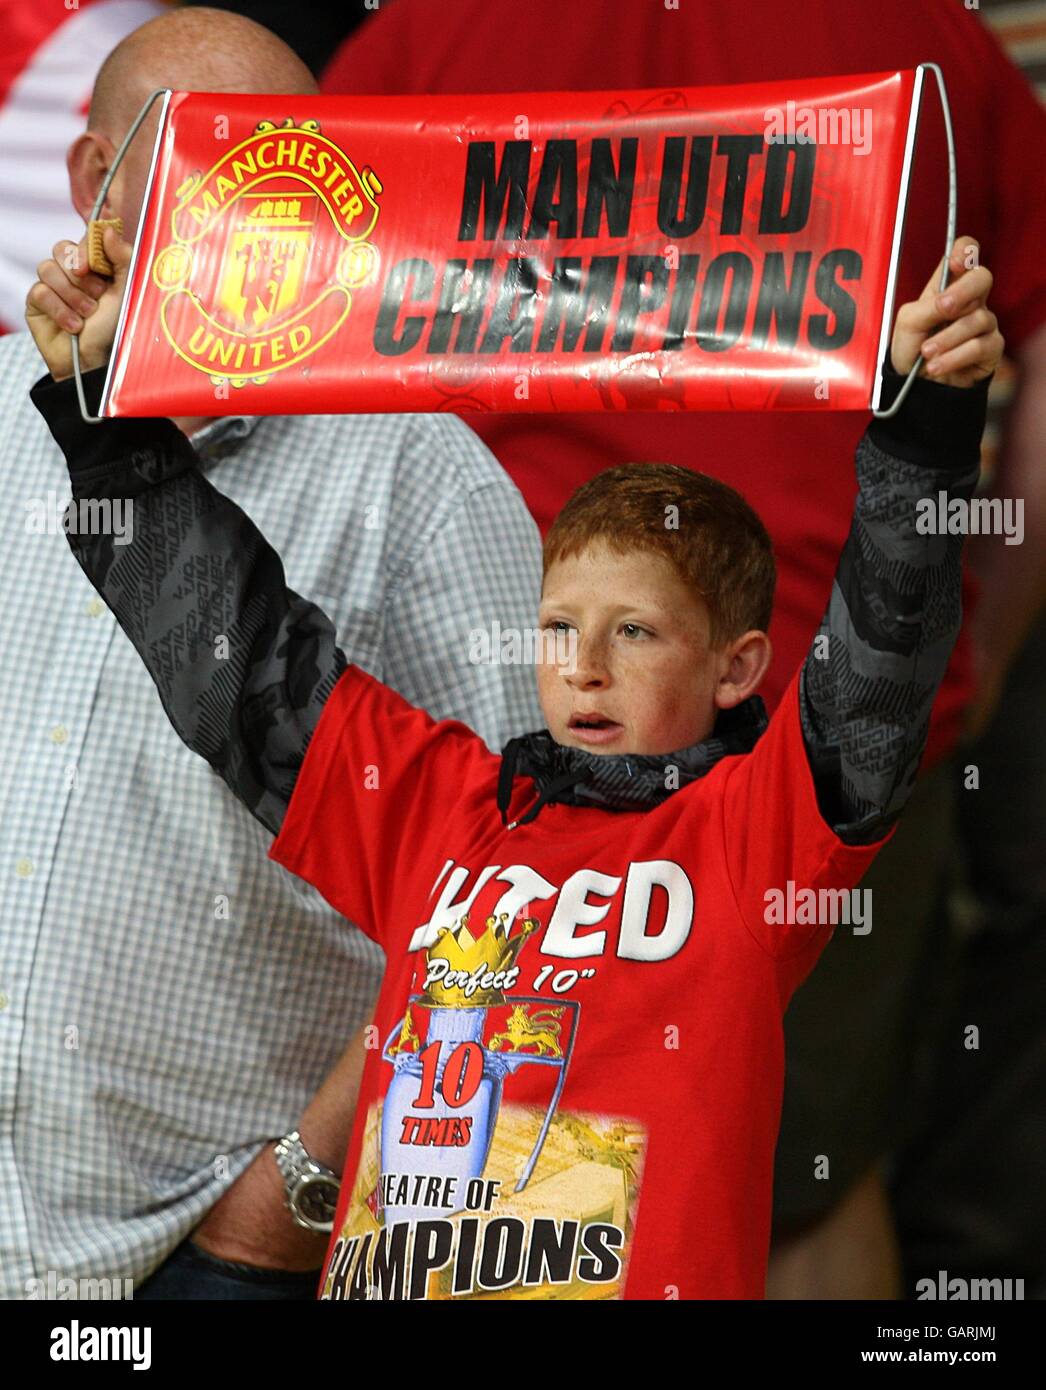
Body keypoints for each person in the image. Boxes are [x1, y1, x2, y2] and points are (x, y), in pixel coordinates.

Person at [26, 228, 1002, 1297]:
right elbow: (238, 661)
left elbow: (876, 675)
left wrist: (924, 429)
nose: (581, 667)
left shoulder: (748, 836)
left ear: (737, 669)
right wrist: (104, 421)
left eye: (633, 632)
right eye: (555, 629)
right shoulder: (442, 810)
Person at [322, 0, 1046, 1296]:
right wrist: (979, 642)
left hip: (519, 717)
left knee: (470, 1165)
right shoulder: (926, 39)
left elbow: (304, 335)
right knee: (802, 1183)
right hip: (823, 694)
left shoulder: (423, 40)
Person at [4, 6, 541, 1301]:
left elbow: (514, 900)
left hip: (200, 1245)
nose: (253, 203)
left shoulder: (429, 481)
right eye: (207, 159)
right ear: (94, 187)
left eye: (289, 160)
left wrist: (291, 1201)